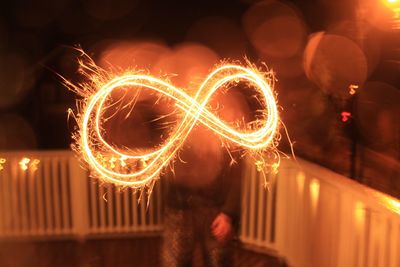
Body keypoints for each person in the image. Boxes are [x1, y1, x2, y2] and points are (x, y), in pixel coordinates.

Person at [161, 90, 249, 267]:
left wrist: (228, 214)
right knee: (176, 262)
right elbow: (171, 165)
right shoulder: (180, 125)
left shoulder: (229, 130)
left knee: (219, 261)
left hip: (216, 209)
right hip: (181, 208)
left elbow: (237, 175)